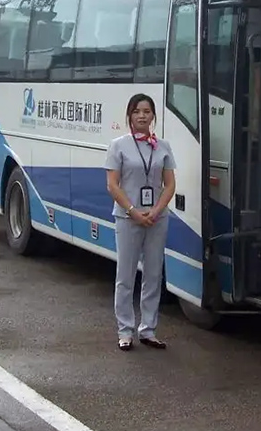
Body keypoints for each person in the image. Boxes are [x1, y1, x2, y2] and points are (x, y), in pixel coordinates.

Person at [104, 93, 177, 352]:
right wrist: (134, 211)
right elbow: (112, 185)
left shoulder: (162, 146)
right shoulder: (118, 145)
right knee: (125, 276)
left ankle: (148, 329)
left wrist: (157, 210)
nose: (142, 116)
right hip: (127, 218)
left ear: (153, 116)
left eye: (147, 111)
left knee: (153, 274)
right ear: (130, 116)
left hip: (157, 219)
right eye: (137, 111)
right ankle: (125, 331)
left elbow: (169, 185)